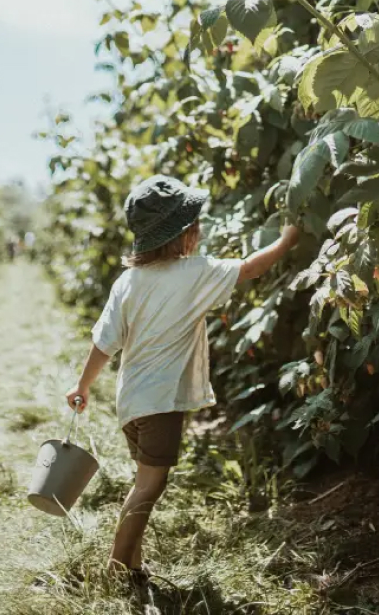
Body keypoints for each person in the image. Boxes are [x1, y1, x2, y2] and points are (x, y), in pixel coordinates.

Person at [65, 174, 300, 580]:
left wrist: (82, 385)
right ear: (183, 236)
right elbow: (249, 268)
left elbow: (105, 342)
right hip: (160, 404)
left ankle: (132, 563)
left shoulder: (127, 281)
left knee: (144, 481)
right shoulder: (193, 273)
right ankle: (117, 566)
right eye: (195, 225)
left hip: (131, 402)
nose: (200, 230)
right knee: (149, 488)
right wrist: (287, 240)